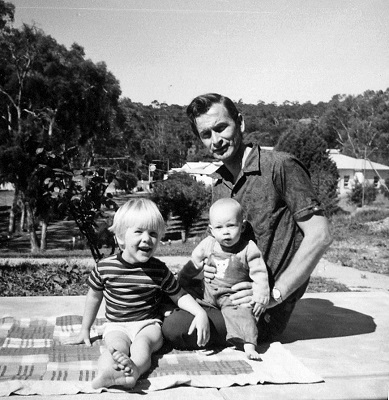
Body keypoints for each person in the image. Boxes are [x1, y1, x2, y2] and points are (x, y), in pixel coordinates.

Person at [162, 93, 333, 349]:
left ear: (240, 123)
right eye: (206, 134)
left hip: (259, 308)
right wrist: (209, 268)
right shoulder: (219, 184)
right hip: (221, 293)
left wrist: (275, 294)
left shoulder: (280, 166)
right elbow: (222, 243)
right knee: (157, 293)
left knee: (174, 328)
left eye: (221, 128)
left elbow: (320, 235)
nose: (216, 140)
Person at [65, 198, 210, 390]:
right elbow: (94, 297)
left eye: (152, 233)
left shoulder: (159, 269)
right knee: (114, 348)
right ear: (120, 237)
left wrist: (200, 312)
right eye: (139, 232)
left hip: (148, 324)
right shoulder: (105, 267)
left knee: (143, 346)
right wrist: (85, 329)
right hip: (117, 324)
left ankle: (134, 371)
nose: (147, 238)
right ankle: (107, 373)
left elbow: (179, 295)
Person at [180, 197, 269, 359]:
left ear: (242, 227)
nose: (225, 232)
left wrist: (261, 292)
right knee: (189, 304)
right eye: (219, 227)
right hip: (208, 295)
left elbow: (260, 273)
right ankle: (203, 338)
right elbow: (194, 263)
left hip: (231, 298)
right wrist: (183, 280)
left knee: (244, 315)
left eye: (231, 226)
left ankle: (249, 346)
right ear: (211, 230)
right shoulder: (208, 244)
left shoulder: (248, 248)